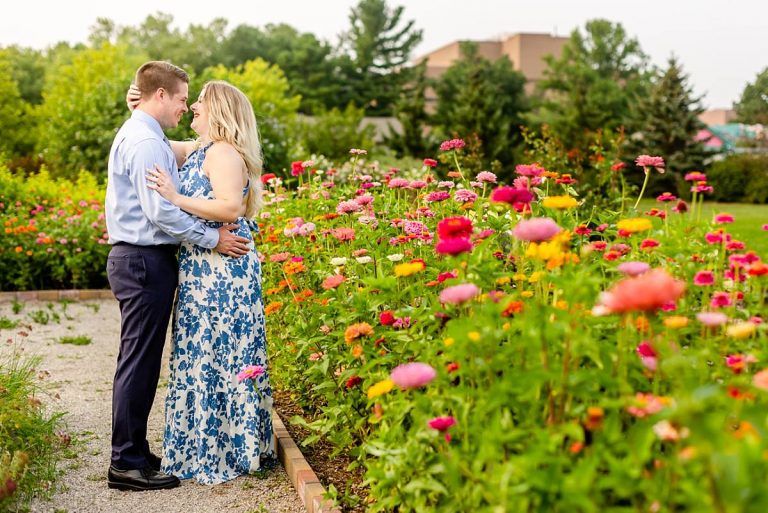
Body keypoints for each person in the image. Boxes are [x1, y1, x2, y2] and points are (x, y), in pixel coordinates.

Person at [105, 61, 251, 492]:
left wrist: (138, 105)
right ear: (162, 95)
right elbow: (160, 212)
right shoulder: (146, 142)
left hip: (143, 259)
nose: (186, 107)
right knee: (138, 363)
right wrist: (212, 240)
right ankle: (125, 462)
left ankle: (133, 451)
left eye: (194, 102)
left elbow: (191, 147)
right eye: (183, 98)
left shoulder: (146, 134)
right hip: (143, 259)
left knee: (143, 362)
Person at [138, 80, 275, 484]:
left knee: (221, 352)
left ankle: (230, 449)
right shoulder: (201, 149)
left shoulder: (226, 154)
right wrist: (141, 102)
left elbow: (230, 205)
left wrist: (176, 199)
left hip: (224, 271)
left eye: (201, 102)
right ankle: (202, 446)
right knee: (200, 352)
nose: (193, 106)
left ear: (220, 112)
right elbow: (162, 138)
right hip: (203, 266)